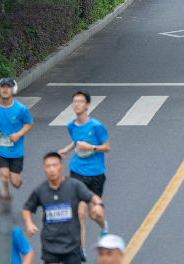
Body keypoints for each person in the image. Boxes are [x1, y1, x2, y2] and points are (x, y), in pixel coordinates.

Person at [23, 152, 106, 264]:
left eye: (55, 165)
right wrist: (29, 223)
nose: (52, 169)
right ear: (44, 169)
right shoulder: (40, 190)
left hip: (72, 245)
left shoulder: (74, 186)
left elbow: (93, 197)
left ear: (61, 167)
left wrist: (98, 205)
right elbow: (27, 207)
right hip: (50, 245)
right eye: (48, 166)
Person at [57, 91, 110, 260]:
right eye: (74, 101)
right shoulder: (71, 126)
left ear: (87, 105)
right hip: (77, 172)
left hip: (96, 174)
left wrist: (91, 147)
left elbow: (107, 147)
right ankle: (81, 252)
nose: (77, 104)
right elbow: (76, 141)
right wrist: (66, 149)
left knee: (95, 214)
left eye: (80, 101)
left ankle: (104, 228)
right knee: (79, 213)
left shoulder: (96, 126)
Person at [0, 78, 34, 192]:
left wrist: (19, 134)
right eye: (3, 87)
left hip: (16, 150)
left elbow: (29, 123)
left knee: (16, 183)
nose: (5, 89)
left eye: (8, 87)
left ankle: (16, 173)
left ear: (13, 89)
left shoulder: (21, 109)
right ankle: (5, 201)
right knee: (3, 177)